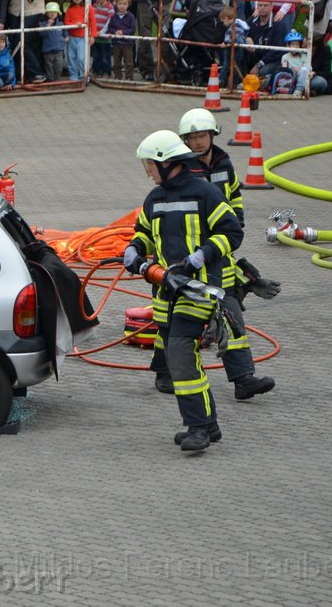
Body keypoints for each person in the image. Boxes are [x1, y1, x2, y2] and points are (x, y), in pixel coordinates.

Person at [123, 129, 243, 452]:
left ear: (164, 162)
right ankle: (210, 424)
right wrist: (134, 250)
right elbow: (145, 235)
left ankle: (199, 427)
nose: (147, 171)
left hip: (200, 291)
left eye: (149, 164)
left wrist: (198, 258)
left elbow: (231, 232)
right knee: (179, 353)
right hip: (168, 293)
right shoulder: (155, 199)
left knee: (179, 353)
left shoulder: (204, 193)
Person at [157, 109, 278, 401]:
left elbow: (234, 193)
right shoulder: (184, 172)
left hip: (219, 252)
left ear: (212, 135)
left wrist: (235, 218)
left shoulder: (224, 162)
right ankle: (164, 372)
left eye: (202, 136)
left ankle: (243, 379)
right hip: (189, 258)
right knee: (172, 321)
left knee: (231, 313)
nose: (197, 142)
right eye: (192, 137)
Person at [244, 0, 287, 79]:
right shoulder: (252, 20)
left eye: (265, 5)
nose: (262, 8)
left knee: (262, 73)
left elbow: (276, 51)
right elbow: (239, 29)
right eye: (260, 5)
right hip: (255, 56)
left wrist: (258, 65)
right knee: (238, 55)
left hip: (273, 60)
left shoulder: (279, 24)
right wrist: (247, 37)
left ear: (271, 7)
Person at [63, 0, 96, 81]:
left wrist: (93, 35)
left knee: (82, 58)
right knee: (71, 58)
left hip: (83, 37)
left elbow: (93, 22)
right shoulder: (69, 9)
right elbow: (66, 22)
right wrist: (75, 24)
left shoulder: (88, 8)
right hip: (72, 37)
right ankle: (73, 76)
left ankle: (83, 76)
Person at [108, 0, 136, 80]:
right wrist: (115, 32)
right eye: (120, 3)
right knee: (116, 62)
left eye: (124, 4)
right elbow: (110, 28)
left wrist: (123, 32)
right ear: (116, 4)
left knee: (129, 62)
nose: (122, 6)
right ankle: (117, 76)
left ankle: (129, 77)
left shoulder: (131, 17)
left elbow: (133, 29)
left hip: (127, 43)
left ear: (128, 5)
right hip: (116, 43)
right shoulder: (113, 17)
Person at [40, 0, 67, 81]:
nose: (52, 14)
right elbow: (42, 34)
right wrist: (48, 25)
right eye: (50, 12)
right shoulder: (43, 24)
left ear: (58, 13)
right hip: (48, 50)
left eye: (54, 12)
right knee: (49, 66)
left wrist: (66, 36)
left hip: (59, 50)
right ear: (46, 14)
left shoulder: (60, 23)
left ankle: (57, 79)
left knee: (59, 66)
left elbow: (65, 31)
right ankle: (50, 79)